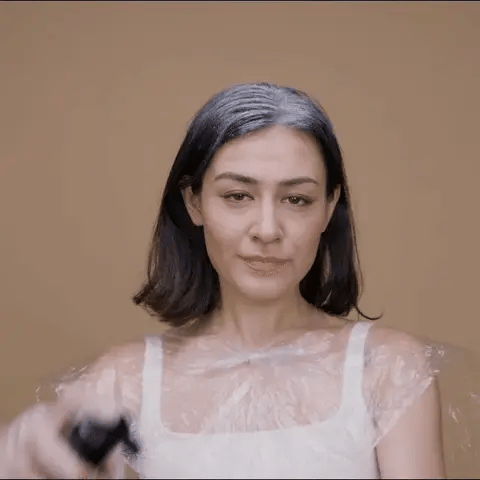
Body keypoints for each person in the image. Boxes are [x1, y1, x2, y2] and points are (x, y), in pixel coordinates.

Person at [0, 82, 445, 479]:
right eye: (237, 195)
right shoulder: (123, 379)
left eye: (296, 199)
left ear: (329, 207)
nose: (267, 229)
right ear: (194, 203)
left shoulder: (387, 368)